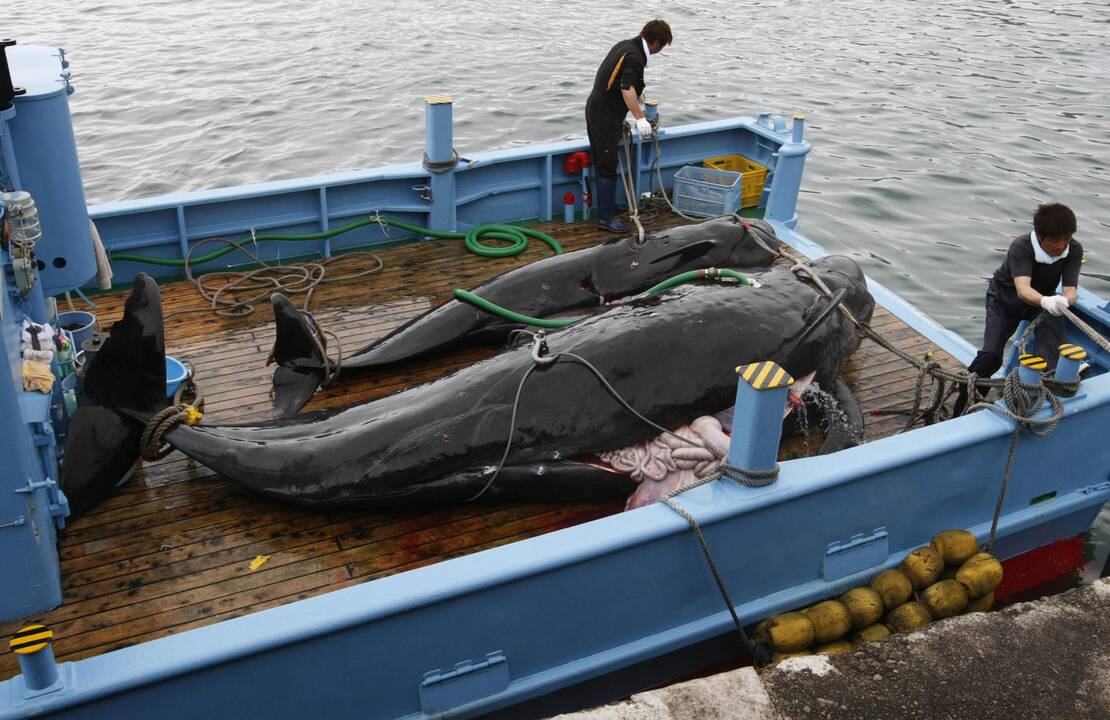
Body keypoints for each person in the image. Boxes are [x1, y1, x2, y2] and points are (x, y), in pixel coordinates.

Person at [955, 202, 1084, 414]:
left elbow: (1071, 290)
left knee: (1049, 358)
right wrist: (1046, 301)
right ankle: (965, 401)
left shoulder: (1074, 249)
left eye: (1066, 239)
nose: (1061, 245)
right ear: (1039, 236)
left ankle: (1036, 405)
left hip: (1043, 303)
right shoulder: (1022, 246)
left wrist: (1064, 301)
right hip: (1005, 300)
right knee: (991, 356)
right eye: (1054, 240)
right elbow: (1023, 289)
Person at [585, 19, 672, 233]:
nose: (658, 52)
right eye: (661, 47)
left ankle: (609, 206)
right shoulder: (635, 57)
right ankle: (605, 218)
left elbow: (617, 82)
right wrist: (640, 118)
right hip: (603, 117)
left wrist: (637, 98)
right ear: (656, 43)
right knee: (606, 164)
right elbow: (626, 88)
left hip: (600, 111)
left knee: (608, 160)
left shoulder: (625, 45)